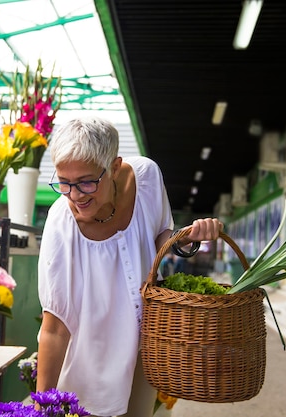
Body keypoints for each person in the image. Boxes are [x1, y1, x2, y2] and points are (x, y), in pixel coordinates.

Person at [36, 116, 224, 417]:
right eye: (64, 183)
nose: (75, 195)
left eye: (86, 182)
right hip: (92, 362)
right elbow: (54, 327)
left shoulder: (147, 177)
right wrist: (40, 407)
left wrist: (186, 238)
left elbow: (161, 233)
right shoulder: (61, 225)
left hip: (146, 346)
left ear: (113, 167)